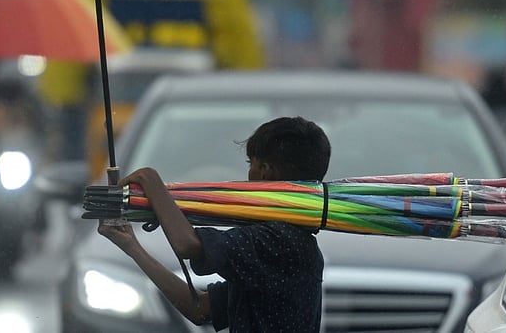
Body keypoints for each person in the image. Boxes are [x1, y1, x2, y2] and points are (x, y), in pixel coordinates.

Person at [98, 116, 331, 332]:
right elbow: (200, 308)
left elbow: (188, 246)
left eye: (252, 163)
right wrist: (132, 247)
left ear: (266, 171)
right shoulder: (288, 245)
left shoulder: (279, 240)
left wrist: (149, 180)